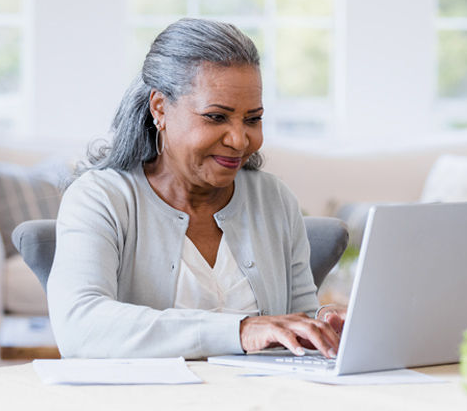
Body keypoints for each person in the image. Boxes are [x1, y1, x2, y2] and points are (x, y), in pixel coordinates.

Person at [47, 18, 345, 359]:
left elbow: (297, 318)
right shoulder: (101, 199)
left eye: (252, 119)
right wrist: (241, 330)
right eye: (216, 117)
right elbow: (80, 328)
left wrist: (323, 325)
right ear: (160, 108)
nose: (239, 140)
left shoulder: (273, 198)